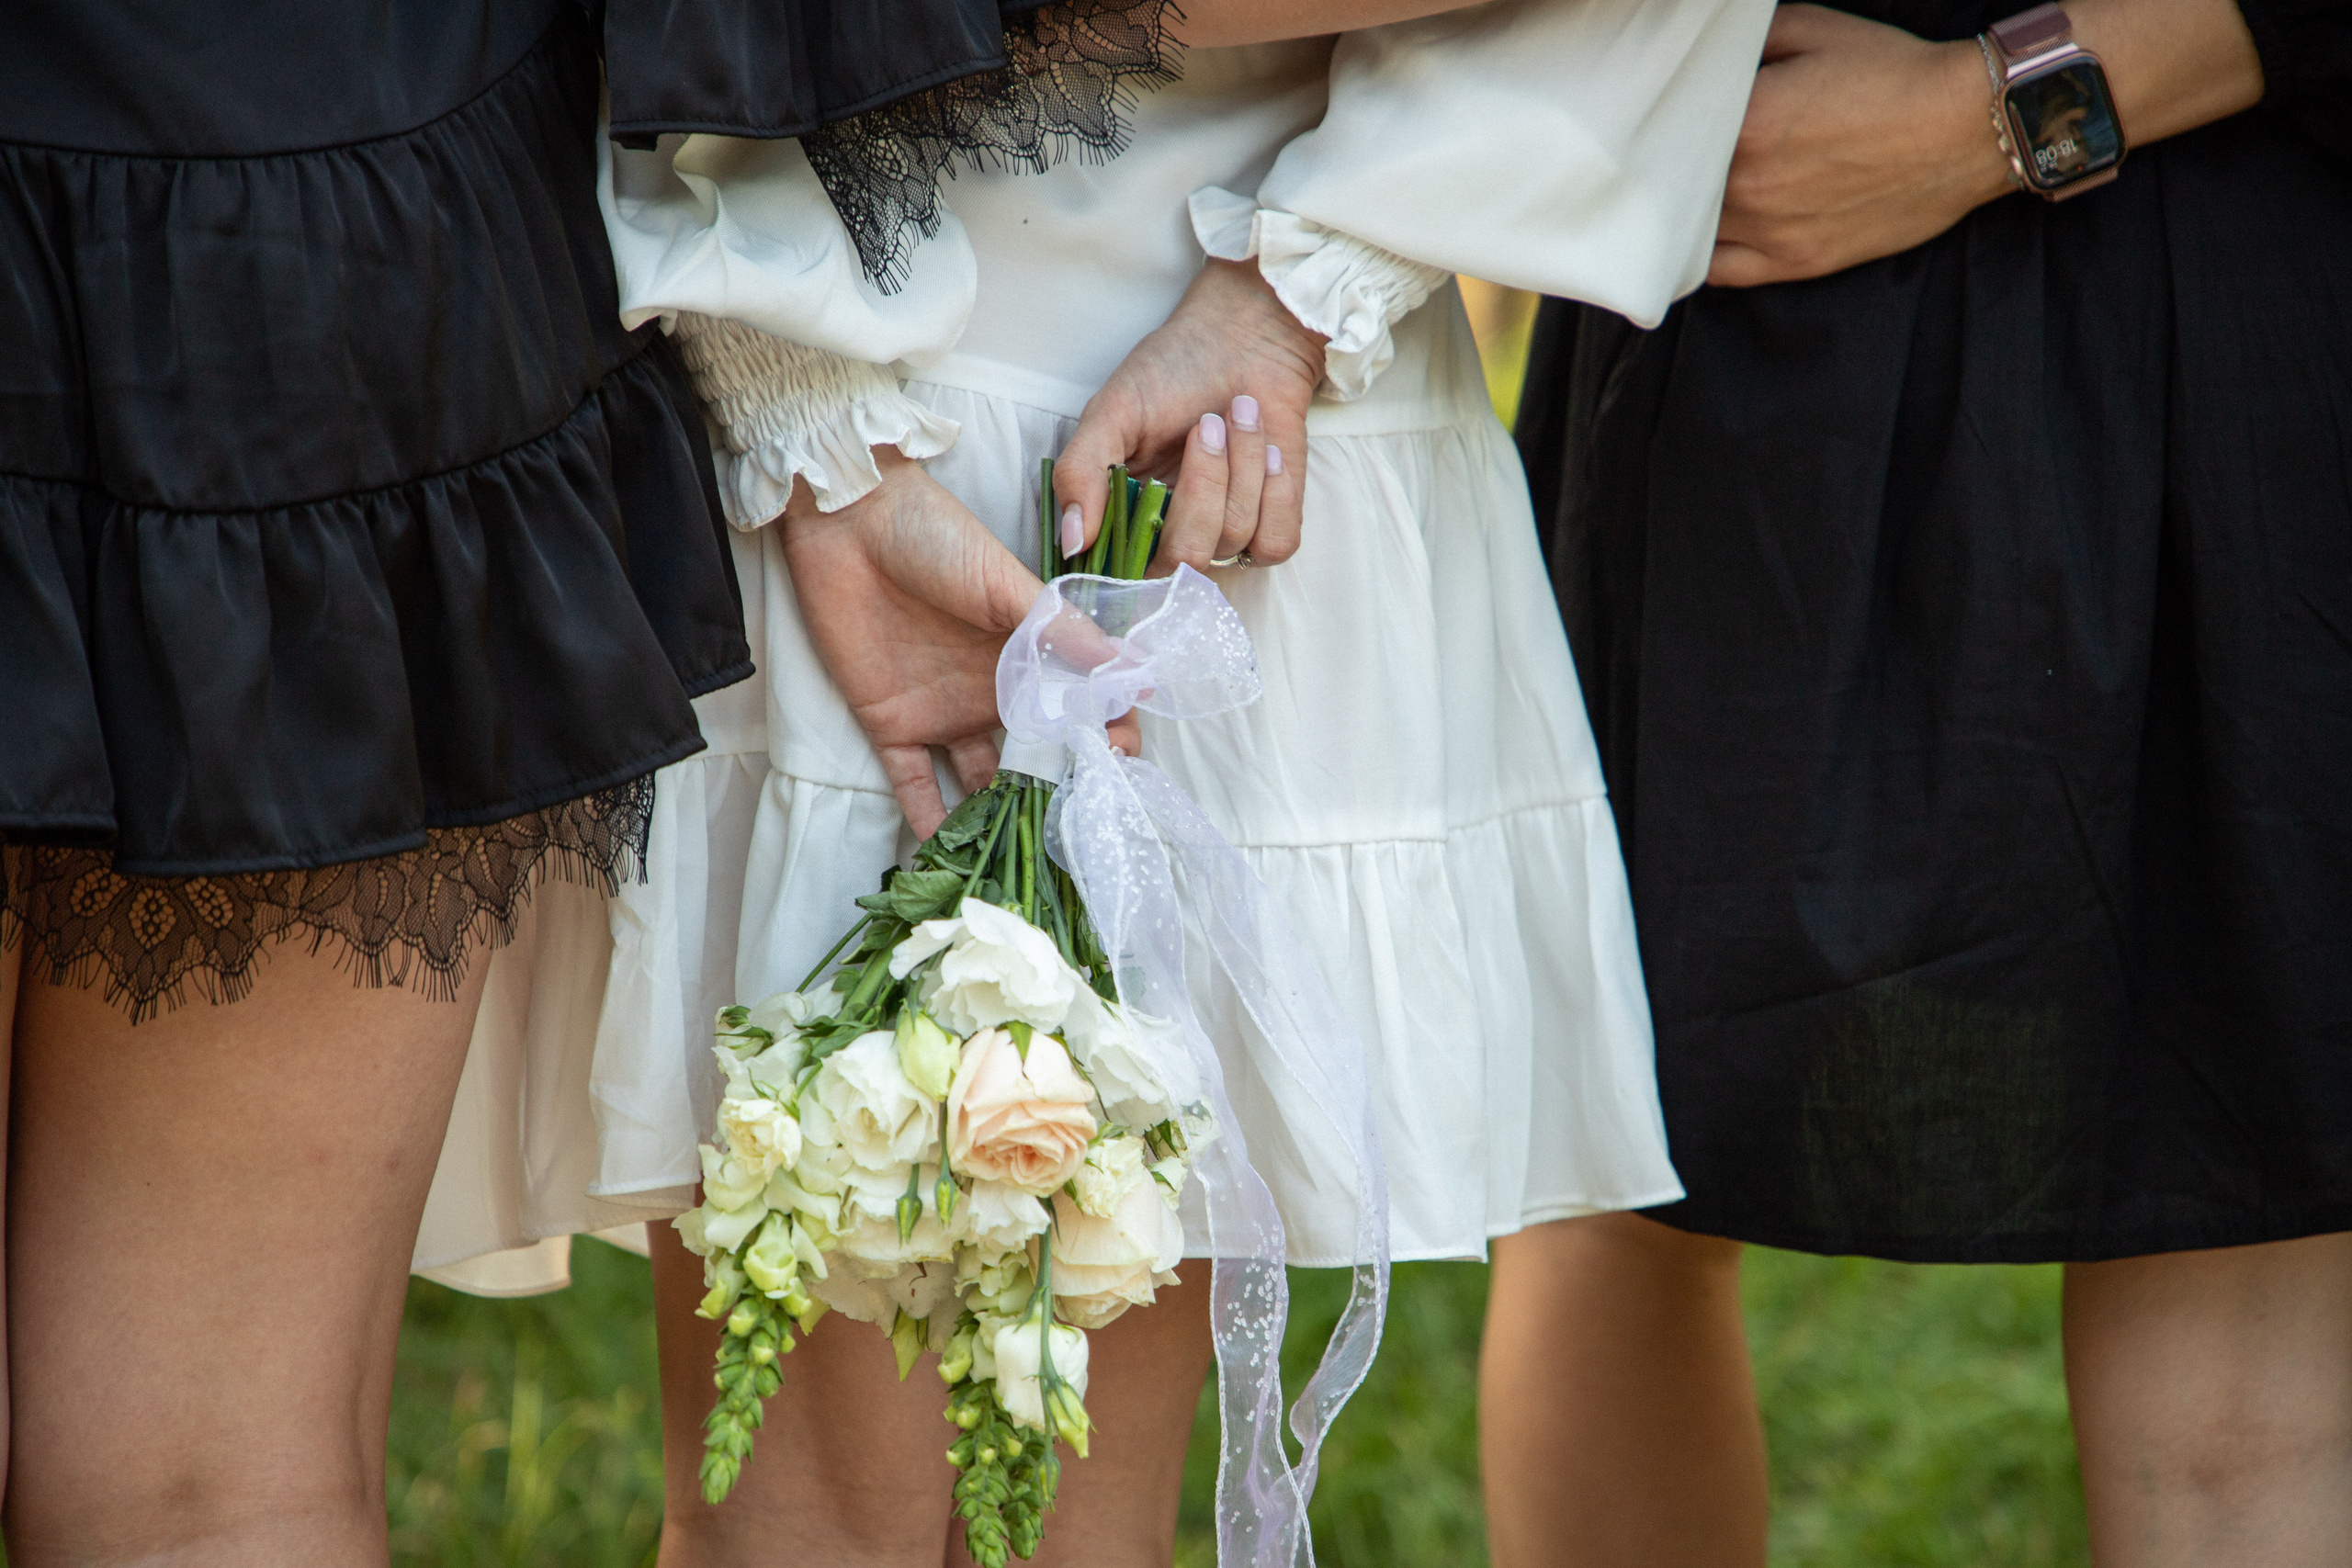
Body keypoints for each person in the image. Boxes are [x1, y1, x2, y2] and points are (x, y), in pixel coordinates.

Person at [410, 0, 1772, 1560]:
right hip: (872, 393)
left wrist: (1300, 283)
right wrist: (798, 391)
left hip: (1226, 452)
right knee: (805, 1518)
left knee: (1069, 1517)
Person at [0, 1, 1129, 1556]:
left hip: (297, 256)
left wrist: (814, 415)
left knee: (211, 1482)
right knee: (203, 1492)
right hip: (295, 232)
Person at [1505, 0, 2352, 1563]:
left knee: (2239, 1184)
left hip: (2222, 289)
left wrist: (1997, 106)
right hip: (1729, 262)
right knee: (1606, 1169)